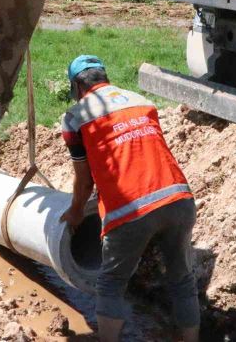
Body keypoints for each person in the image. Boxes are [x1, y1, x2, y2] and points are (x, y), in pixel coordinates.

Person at [59, 55, 200, 342]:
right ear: (105, 77)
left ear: (77, 86)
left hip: (130, 209)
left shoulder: (75, 117)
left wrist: (76, 211)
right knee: (182, 278)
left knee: (111, 283)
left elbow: (84, 181)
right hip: (179, 199)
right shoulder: (140, 101)